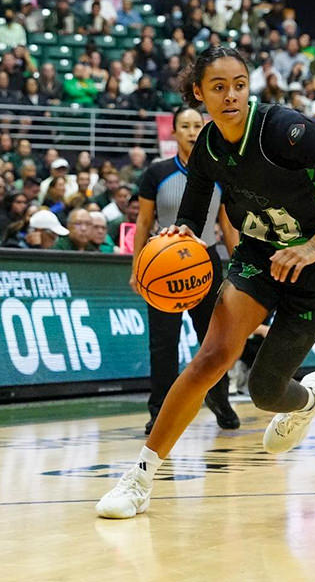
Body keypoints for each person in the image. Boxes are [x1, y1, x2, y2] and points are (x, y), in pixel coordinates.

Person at [96, 45, 315, 519]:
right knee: (210, 357)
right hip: (259, 256)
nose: (231, 95)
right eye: (218, 87)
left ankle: (307, 398)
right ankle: (140, 478)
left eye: (239, 85)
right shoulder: (208, 145)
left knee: (267, 393)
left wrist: (313, 246)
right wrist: (180, 232)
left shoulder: (285, 130)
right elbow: (192, 213)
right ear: (197, 94)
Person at [132, 107, 241, 434]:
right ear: (174, 132)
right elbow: (143, 222)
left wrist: (239, 266)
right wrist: (138, 267)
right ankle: (159, 412)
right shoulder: (156, 173)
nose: (192, 131)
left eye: (198, 125)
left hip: (206, 259)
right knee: (163, 343)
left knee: (215, 341)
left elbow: (228, 225)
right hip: (163, 262)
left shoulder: (220, 172)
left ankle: (220, 399)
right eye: (185, 126)